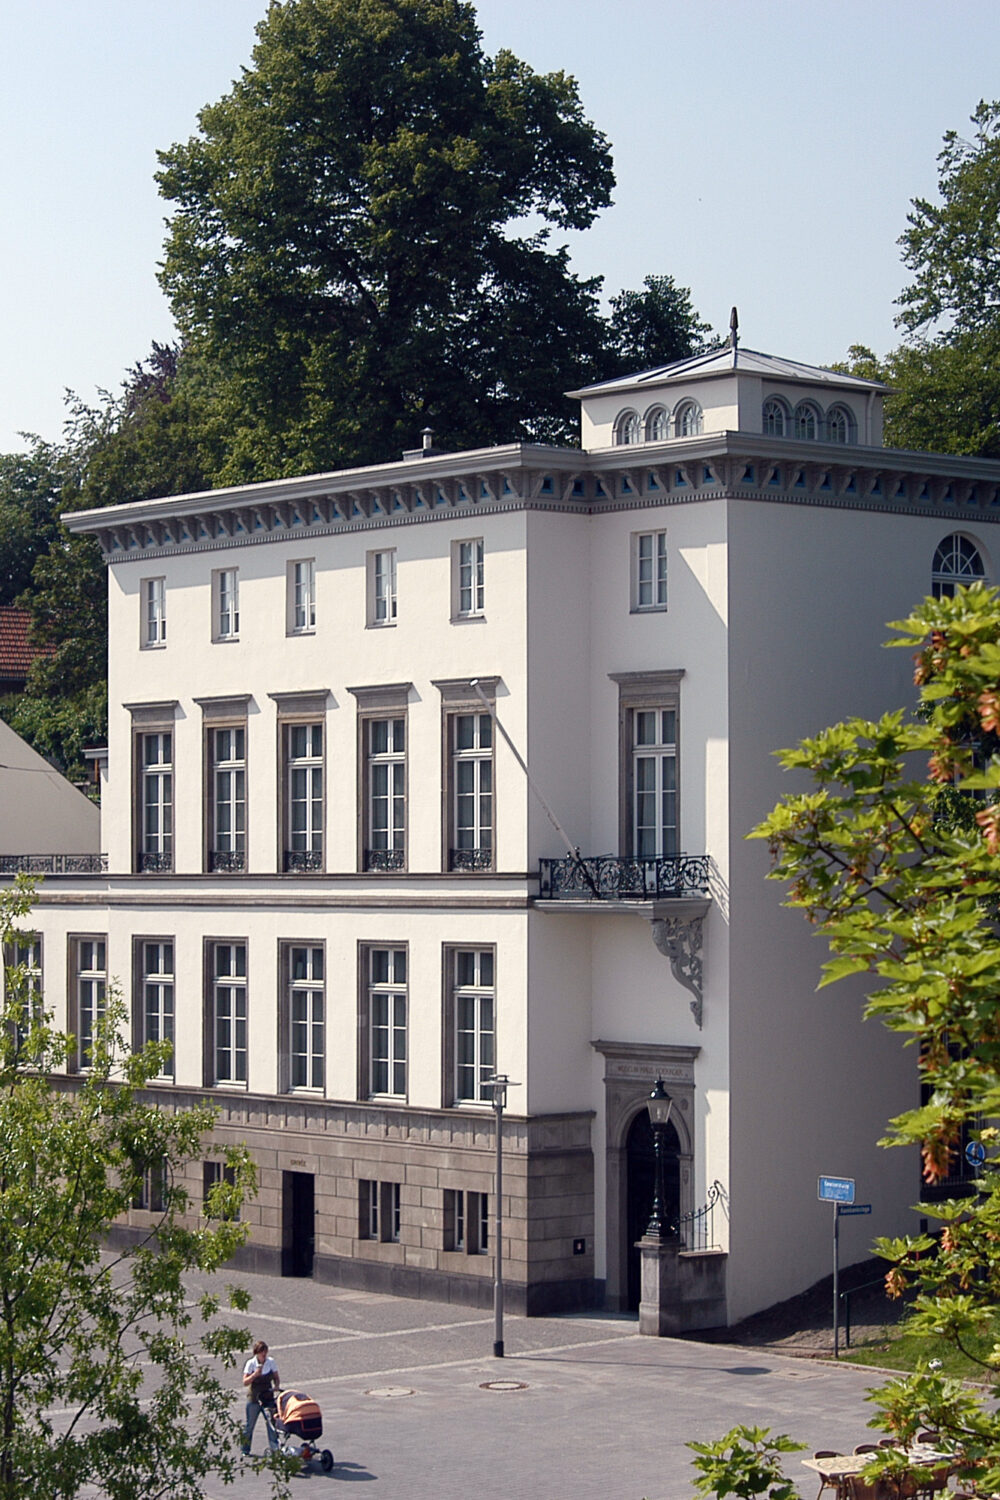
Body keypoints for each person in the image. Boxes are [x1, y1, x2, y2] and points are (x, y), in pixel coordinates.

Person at [242, 1340, 280, 1455]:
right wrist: (255, 1375)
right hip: (254, 1398)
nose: (264, 1354)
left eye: (265, 1352)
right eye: (261, 1352)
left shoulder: (270, 1362)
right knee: (250, 1425)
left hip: (267, 1397)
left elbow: (276, 1377)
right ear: (256, 1353)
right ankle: (245, 1448)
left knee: (271, 1424)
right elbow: (245, 1382)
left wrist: (276, 1386)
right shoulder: (251, 1363)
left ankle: (275, 1448)